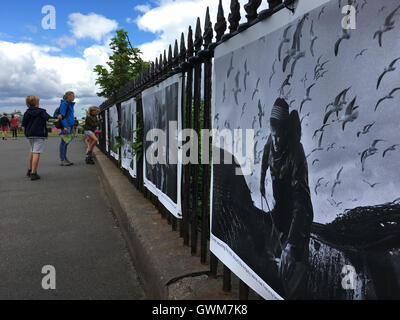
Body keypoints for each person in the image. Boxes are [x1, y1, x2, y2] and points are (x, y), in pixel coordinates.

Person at [260, 98, 314, 299]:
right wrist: (261, 180)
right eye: (272, 136)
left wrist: (292, 244)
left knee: (294, 271)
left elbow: (302, 203)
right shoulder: (271, 140)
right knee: (274, 267)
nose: (275, 141)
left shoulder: (296, 152)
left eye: (278, 137)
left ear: (285, 131)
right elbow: (266, 156)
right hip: (281, 210)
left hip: (298, 219)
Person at [22, 95, 52, 181]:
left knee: (32, 151)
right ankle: (33, 173)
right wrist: (59, 119)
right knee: (37, 153)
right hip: (39, 134)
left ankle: (30, 169)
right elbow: (50, 119)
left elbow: (24, 124)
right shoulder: (42, 112)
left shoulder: (26, 113)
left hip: (30, 134)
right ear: (37, 103)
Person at [58, 91, 75, 166]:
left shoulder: (69, 104)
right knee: (63, 143)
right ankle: (62, 159)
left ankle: (64, 158)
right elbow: (62, 116)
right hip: (66, 126)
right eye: (72, 96)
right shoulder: (65, 104)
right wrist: (65, 126)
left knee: (66, 143)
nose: (74, 97)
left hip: (69, 125)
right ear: (68, 96)